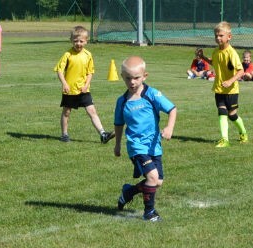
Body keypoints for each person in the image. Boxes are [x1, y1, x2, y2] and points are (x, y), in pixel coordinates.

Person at [114, 56, 177, 222]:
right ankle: (149, 213)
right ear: (122, 77)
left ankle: (129, 192)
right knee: (152, 178)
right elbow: (119, 124)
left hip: (154, 146)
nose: (132, 82)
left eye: (136, 78)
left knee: (158, 182)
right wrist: (117, 145)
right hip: (137, 147)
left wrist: (169, 128)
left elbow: (172, 109)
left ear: (145, 76)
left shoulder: (152, 95)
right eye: (128, 78)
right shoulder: (122, 102)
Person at [54, 26, 115, 143]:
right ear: (71, 40)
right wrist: (64, 84)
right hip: (70, 90)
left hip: (83, 90)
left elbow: (90, 72)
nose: (78, 43)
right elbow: (59, 70)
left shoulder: (88, 55)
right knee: (66, 112)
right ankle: (64, 135)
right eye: (75, 41)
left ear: (86, 41)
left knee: (92, 111)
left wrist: (86, 85)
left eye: (81, 41)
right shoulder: (67, 55)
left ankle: (103, 134)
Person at [200, 21, 249, 148]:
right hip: (219, 88)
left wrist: (230, 81)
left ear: (229, 37)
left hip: (231, 90)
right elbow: (214, 62)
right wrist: (203, 57)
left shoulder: (231, 53)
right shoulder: (216, 51)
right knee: (222, 113)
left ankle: (243, 133)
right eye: (216, 35)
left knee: (232, 115)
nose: (218, 38)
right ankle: (224, 140)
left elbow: (241, 71)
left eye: (221, 35)